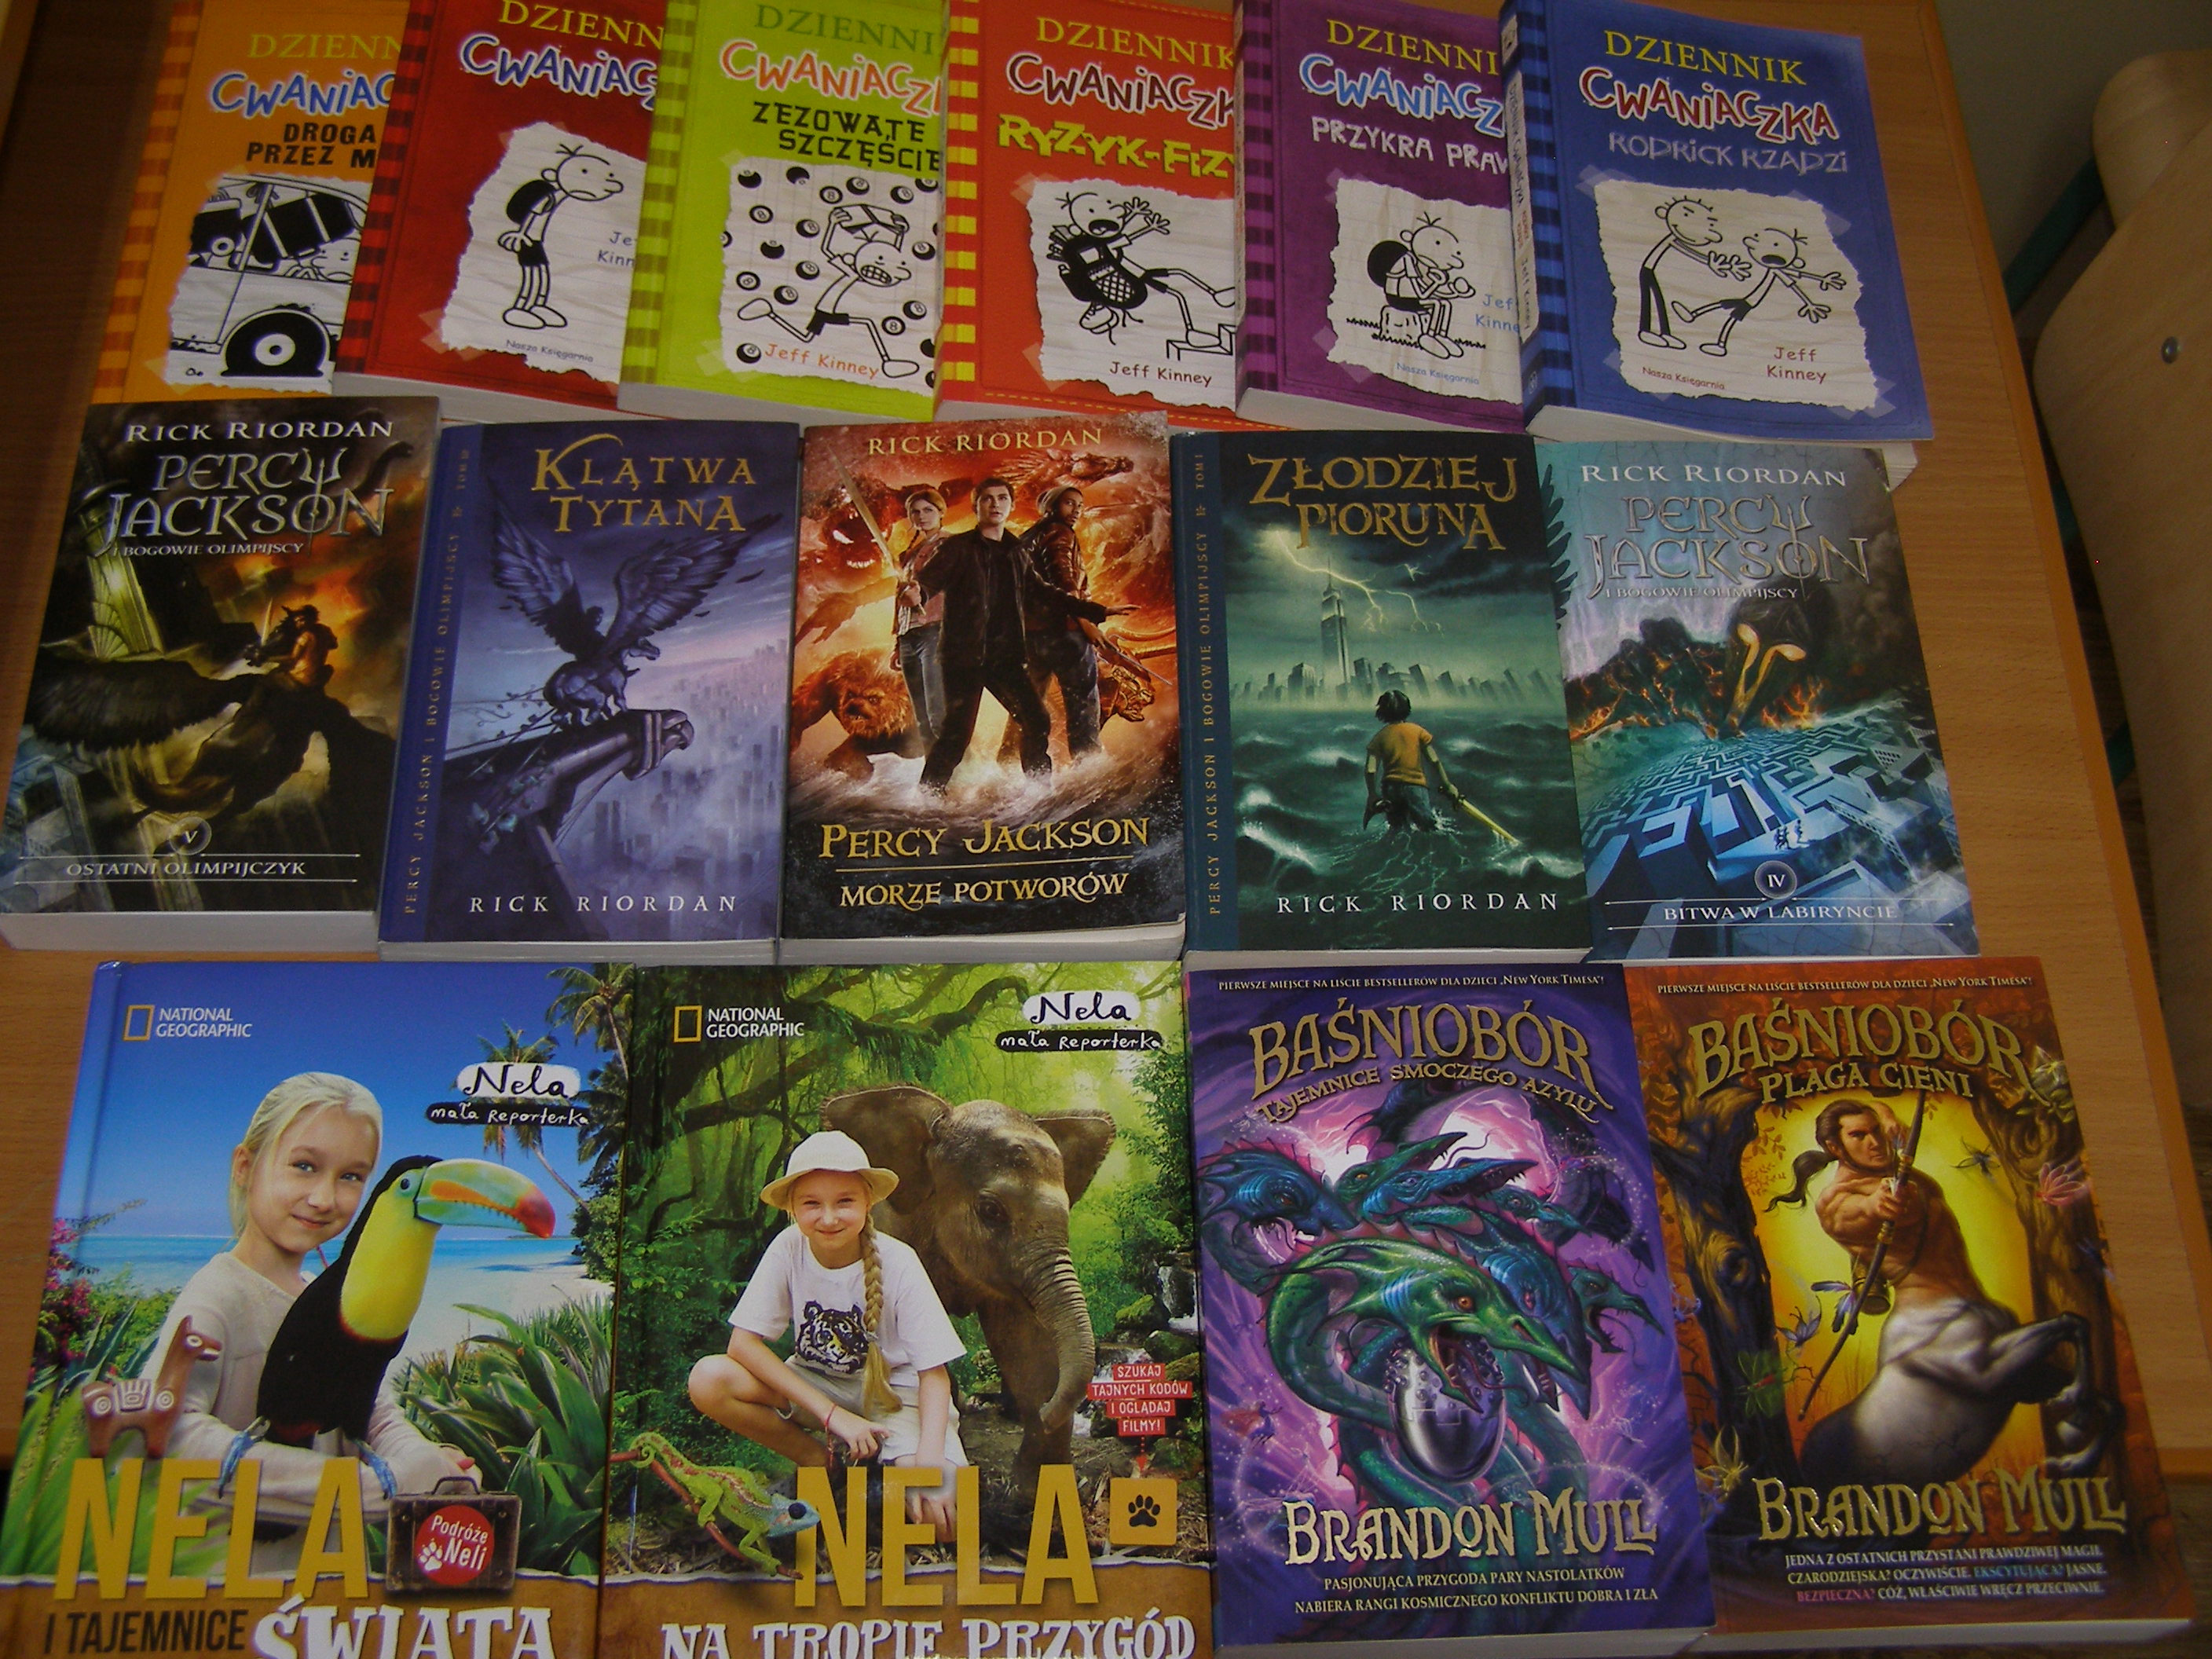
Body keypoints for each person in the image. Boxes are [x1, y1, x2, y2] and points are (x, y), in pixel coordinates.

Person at [146, 1074, 475, 1563]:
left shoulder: (323, 1294)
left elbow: (369, 1409)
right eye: (304, 1167)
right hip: (227, 1578)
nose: (324, 1198)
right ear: (245, 1168)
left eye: (351, 1177)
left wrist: (427, 1464)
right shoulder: (217, 1295)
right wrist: (377, 1487)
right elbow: (171, 1439)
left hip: (324, 1576)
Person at [689, 1131, 968, 1543]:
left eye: (844, 1201)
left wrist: (928, 1462)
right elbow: (742, 1345)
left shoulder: (899, 1261)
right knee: (709, 1378)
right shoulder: (788, 1249)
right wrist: (832, 1415)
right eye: (812, 1204)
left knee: (938, 1518)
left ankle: (889, 1468)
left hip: (897, 1395)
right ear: (792, 1208)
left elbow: (934, 1375)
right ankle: (819, 1463)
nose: (829, 1218)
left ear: (868, 1202)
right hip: (819, 1386)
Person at [916, 478, 1064, 792]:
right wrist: (917, 592)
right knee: (957, 735)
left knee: (1037, 719)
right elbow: (928, 582)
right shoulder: (957, 547)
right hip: (963, 658)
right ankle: (927, 794)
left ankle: (1040, 788)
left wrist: (1093, 611)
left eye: (1002, 498)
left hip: (1005, 658)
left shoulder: (1017, 551)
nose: (995, 504)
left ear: (1011, 505)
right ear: (976, 506)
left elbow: (1043, 592)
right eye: (987, 499)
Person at [1013, 484, 1126, 758]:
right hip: (1065, 633)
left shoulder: (1027, 537)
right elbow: (1065, 582)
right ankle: (1086, 765)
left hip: (1030, 635)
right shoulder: (1059, 532)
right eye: (1069, 503)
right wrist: (1086, 623)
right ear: (1051, 506)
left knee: (1026, 706)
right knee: (1082, 702)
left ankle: (1008, 763)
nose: (1076, 510)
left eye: (1080, 505)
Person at [892, 486, 950, 746]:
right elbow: (899, 600)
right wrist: (897, 641)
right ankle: (933, 770)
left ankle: (961, 767)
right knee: (922, 719)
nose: (922, 516)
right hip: (908, 635)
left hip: (935, 631)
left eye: (928, 510)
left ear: (941, 512)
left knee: (939, 713)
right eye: (915, 512)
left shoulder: (950, 545)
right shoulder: (908, 554)